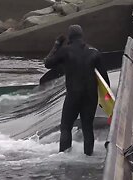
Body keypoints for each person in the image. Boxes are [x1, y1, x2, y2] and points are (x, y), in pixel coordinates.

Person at [44, 25, 110, 156]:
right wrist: (105, 99)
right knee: (87, 128)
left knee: (66, 127)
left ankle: (64, 156)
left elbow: (47, 63)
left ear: (70, 37)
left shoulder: (65, 51)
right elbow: (104, 79)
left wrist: (56, 45)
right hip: (90, 96)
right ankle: (88, 156)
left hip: (73, 95)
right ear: (82, 36)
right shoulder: (94, 52)